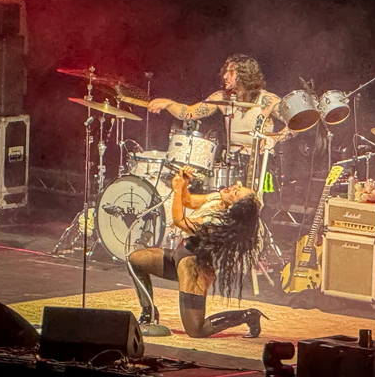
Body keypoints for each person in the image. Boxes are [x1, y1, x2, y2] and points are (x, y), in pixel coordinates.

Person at [127, 166, 267, 338]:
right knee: (135, 260)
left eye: (236, 193)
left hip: (194, 266)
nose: (233, 187)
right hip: (179, 253)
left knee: (196, 330)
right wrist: (185, 183)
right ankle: (148, 312)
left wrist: (177, 189)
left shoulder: (218, 223)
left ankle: (248, 315)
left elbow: (180, 221)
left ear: (234, 207)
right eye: (238, 186)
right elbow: (188, 201)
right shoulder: (218, 197)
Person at [123, 54, 291, 155]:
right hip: (233, 162)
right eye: (225, 72)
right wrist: (168, 103)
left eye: (231, 73)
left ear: (245, 75)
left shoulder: (268, 100)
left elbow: (296, 124)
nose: (225, 76)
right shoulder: (222, 98)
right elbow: (189, 112)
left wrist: (275, 139)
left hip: (262, 163)